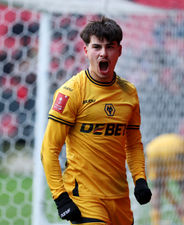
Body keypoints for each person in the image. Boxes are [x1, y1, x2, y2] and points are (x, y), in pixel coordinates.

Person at [41, 16, 151, 225]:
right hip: (84, 196)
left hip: (119, 197)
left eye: (110, 47)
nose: (103, 53)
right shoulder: (71, 92)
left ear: (119, 51)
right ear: (86, 51)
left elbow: (133, 143)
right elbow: (49, 149)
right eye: (96, 47)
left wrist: (140, 180)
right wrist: (61, 198)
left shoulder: (129, 93)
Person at [145, 133, 184, 225]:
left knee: (157, 188)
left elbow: (163, 187)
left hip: (152, 149)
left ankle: (155, 222)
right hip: (176, 149)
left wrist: (176, 205)